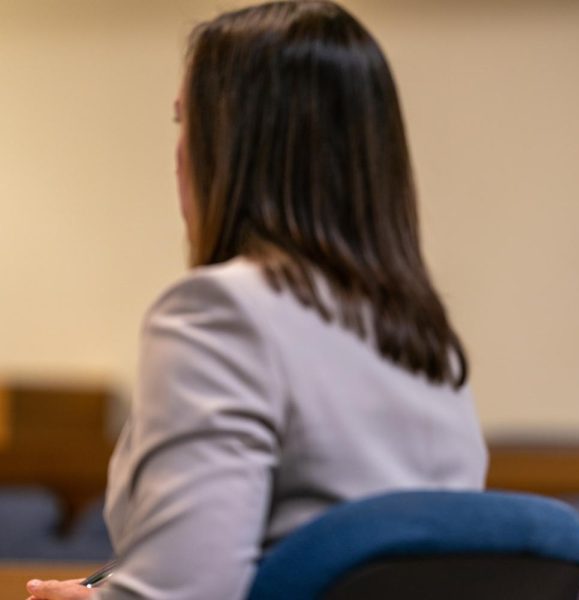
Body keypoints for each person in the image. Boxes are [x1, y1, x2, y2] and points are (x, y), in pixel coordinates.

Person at [26, 2, 487, 599]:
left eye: (182, 124)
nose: (177, 154)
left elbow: (187, 594)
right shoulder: (431, 348)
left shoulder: (219, 314)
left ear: (231, 151)